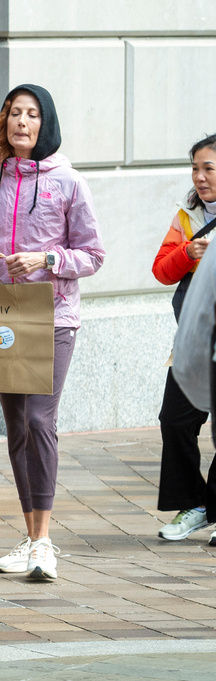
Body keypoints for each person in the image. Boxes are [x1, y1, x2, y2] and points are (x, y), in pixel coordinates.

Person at [0, 84, 105, 581]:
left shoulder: (68, 181)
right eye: (14, 113)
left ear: (47, 124)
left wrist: (47, 260)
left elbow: (94, 255)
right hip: (1, 312)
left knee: (41, 421)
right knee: (17, 425)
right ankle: (30, 536)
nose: (22, 122)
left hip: (52, 314)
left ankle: (45, 542)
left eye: (32, 114)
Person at [153, 134, 216, 543]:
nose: (199, 177)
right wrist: (188, 255)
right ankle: (195, 504)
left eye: (208, 168)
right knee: (174, 420)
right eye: (195, 168)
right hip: (196, 340)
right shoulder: (188, 216)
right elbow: (161, 270)